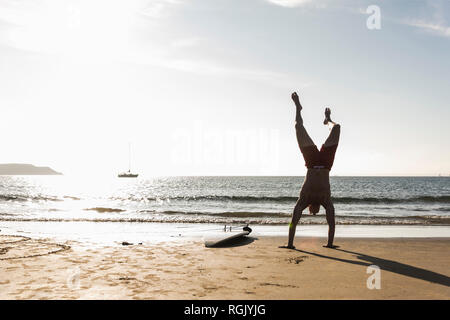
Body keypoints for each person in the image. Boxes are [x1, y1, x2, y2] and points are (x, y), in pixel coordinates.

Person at [282, 91, 341, 249]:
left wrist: (289, 244)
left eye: (311, 212)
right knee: (338, 129)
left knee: (297, 126)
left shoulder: (304, 199)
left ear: (308, 208)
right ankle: (327, 120)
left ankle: (309, 113)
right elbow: (332, 223)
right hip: (326, 163)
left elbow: (293, 221)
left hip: (311, 160)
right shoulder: (325, 200)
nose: (314, 212)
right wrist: (329, 244)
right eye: (316, 212)